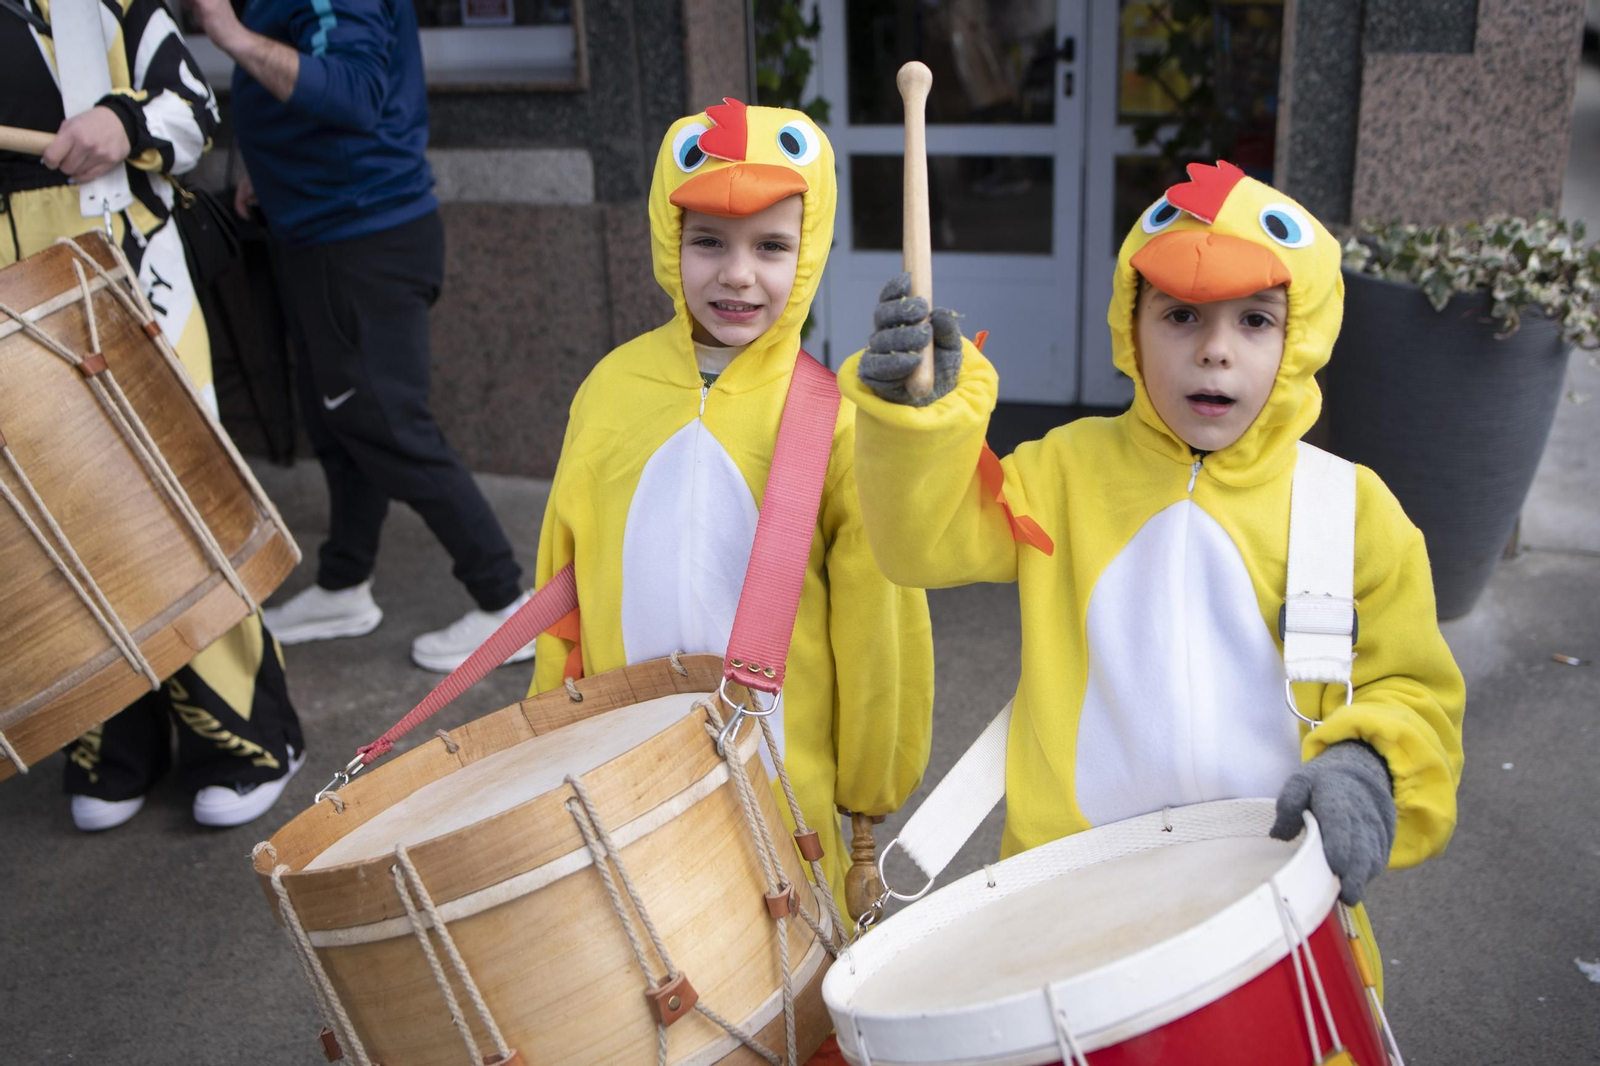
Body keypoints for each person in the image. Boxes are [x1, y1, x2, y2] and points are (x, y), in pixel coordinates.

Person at [844, 160, 1466, 988]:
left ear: (1302, 333)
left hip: (1273, 908)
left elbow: (1415, 690)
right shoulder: (1064, 471)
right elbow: (924, 543)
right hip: (1065, 908)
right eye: (1180, 315)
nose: (1214, 351)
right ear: (1130, 327)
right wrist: (916, 426)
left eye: (1253, 319)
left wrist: (1369, 764)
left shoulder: (1357, 512)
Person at [528, 99, 935, 912]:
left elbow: (877, 623)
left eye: (771, 245)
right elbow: (561, 584)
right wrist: (550, 731)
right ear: (667, 240)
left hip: (789, 788)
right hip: (624, 769)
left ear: (809, 251)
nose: (738, 273)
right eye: (708, 240)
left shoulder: (838, 418)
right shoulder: (610, 392)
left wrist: (869, 786)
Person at [0, 0, 306, 829]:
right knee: (51, 522)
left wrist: (119, 118)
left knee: (171, 507)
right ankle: (109, 738)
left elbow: (193, 111)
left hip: (120, 277)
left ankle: (246, 732)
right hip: (9, 300)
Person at [184, 0, 531, 673]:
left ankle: (507, 603)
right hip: (320, 230)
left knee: (389, 426)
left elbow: (355, 92)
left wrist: (228, 34)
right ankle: (344, 586)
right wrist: (270, 167)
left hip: (361, 239)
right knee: (340, 422)